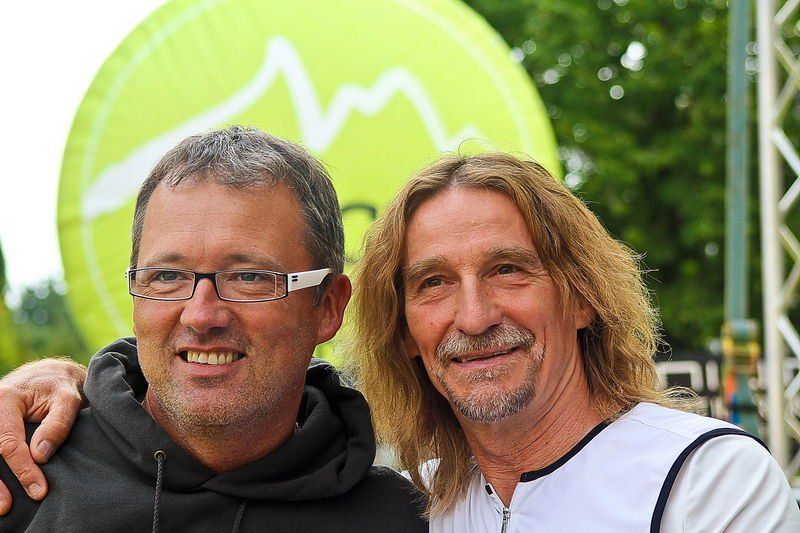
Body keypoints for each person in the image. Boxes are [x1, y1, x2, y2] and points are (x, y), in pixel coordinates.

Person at [1, 152, 799, 531]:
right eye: (433, 283)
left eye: (509, 269)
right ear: (405, 331)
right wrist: (66, 381)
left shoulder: (705, 483)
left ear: (583, 294)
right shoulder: (427, 500)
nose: (473, 314)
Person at [0, 126, 425, 531]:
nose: (200, 316)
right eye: (167, 276)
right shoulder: (17, 473)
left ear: (328, 306)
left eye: (249, 277)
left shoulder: (407, 519)